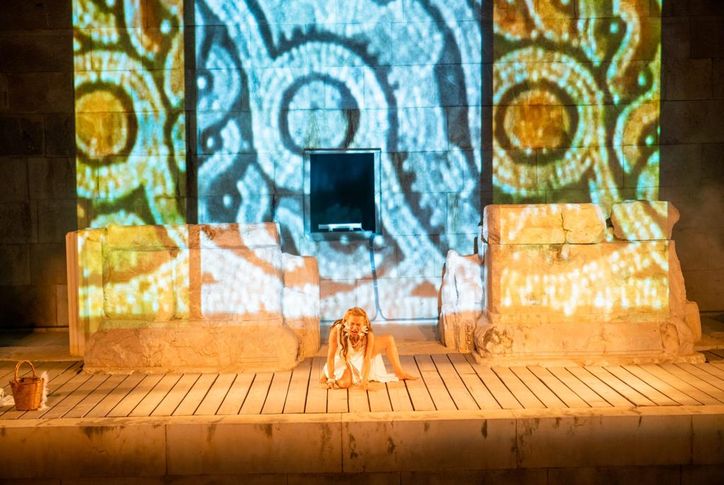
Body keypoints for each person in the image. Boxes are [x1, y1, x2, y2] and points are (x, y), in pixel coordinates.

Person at [320, 307, 417, 390]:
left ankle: (400, 372)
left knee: (389, 339)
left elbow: (367, 359)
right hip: (344, 357)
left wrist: (364, 380)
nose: (354, 328)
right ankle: (327, 372)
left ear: (364, 324)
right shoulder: (336, 330)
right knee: (344, 383)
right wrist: (331, 378)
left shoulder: (368, 334)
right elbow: (331, 356)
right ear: (346, 321)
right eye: (352, 323)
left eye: (358, 324)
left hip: (360, 355)